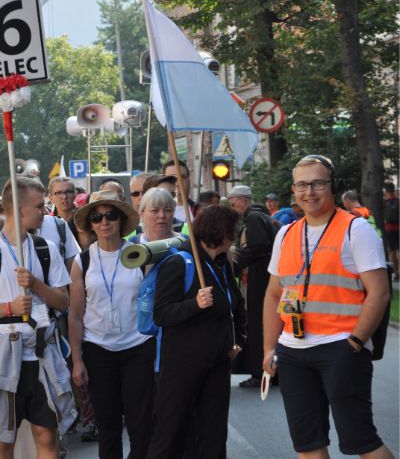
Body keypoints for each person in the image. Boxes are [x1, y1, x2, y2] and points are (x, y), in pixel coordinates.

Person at [262, 155, 393, 459]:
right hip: (293, 351)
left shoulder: (355, 229)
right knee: (308, 446)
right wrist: (270, 348)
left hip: (341, 347)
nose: (310, 192)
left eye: (318, 183)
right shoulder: (286, 233)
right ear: (294, 190)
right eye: (302, 185)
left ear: (333, 186)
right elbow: (273, 295)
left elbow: (380, 293)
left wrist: (356, 341)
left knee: (362, 441)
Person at [0, 176, 75, 459]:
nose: (46, 211)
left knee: (46, 433)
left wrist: (36, 285)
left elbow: (63, 301)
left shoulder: (46, 249)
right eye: (39, 206)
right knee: (3, 440)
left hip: (42, 355)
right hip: (3, 358)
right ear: (19, 209)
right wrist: (8, 308)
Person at [146, 205, 247, 459]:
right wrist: (195, 304)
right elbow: (162, 314)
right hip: (182, 366)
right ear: (220, 232)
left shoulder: (223, 264)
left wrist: (238, 340)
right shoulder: (179, 263)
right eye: (231, 230)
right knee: (170, 433)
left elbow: (236, 305)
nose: (234, 236)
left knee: (214, 435)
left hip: (217, 363)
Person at [68, 191, 155, 458]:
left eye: (111, 215)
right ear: (91, 225)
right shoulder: (82, 260)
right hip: (98, 350)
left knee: (141, 426)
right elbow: (75, 314)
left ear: (121, 220)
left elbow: (152, 302)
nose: (104, 222)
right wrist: (77, 360)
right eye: (97, 217)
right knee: (108, 428)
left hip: (138, 347)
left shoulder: (140, 254)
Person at [227, 185, 277, 388]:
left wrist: (237, 261)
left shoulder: (254, 218)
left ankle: (260, 372)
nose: (232, 208)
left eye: (233, 204)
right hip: (264, 277)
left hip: (259, 279)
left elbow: (258, 246)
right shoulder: (263, 217)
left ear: (244, 201)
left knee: (257, 325)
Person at [384, 183, 399, 282]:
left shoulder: (384, 202)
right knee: (398, 250)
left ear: (386, 191)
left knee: (392, 251)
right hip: (398, 228)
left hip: (389, 229)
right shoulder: (398, 201)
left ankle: (396, 272)